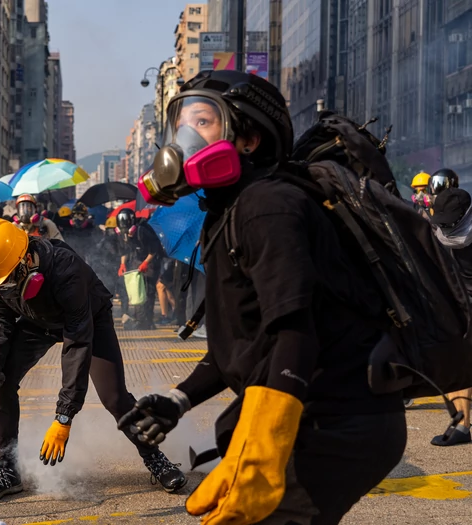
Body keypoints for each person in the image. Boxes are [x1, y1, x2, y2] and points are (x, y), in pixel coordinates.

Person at [122, 70, 406, 525]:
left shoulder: (268, 206)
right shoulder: (229, 212)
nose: (186, 137)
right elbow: (242, 347)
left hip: (337, 419)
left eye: (203, 121)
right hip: (311, 411)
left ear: (248, 138)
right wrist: (178, 399)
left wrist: (264, 449)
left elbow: (294, 332)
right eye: (182, 124)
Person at [0, 218, 186, 502]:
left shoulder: (65, 269)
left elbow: (78, 344)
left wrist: (63, 417)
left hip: (88, 320)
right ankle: (8, 471)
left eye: (8, 281)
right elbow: (0, 318)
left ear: (24, 261)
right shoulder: (0, 278)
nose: (4, 289)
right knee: (1, 382)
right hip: (38, 322)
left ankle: (156, 458)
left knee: (114, 397)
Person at [428, 187, 472, 446]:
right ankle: (462, 426)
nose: (446, 228)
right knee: (456, 367)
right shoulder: (440, 234)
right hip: (458, 304)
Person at [115, 208, 162, 330]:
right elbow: (124, 250)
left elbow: (154, 249)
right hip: (137, 259)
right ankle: (139, 318)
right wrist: (122, 264)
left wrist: (146, 262)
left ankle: (147, 321)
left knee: (148, 291)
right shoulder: (122, 234)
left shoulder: (143, 231)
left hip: (151, 260)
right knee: (137, 290)